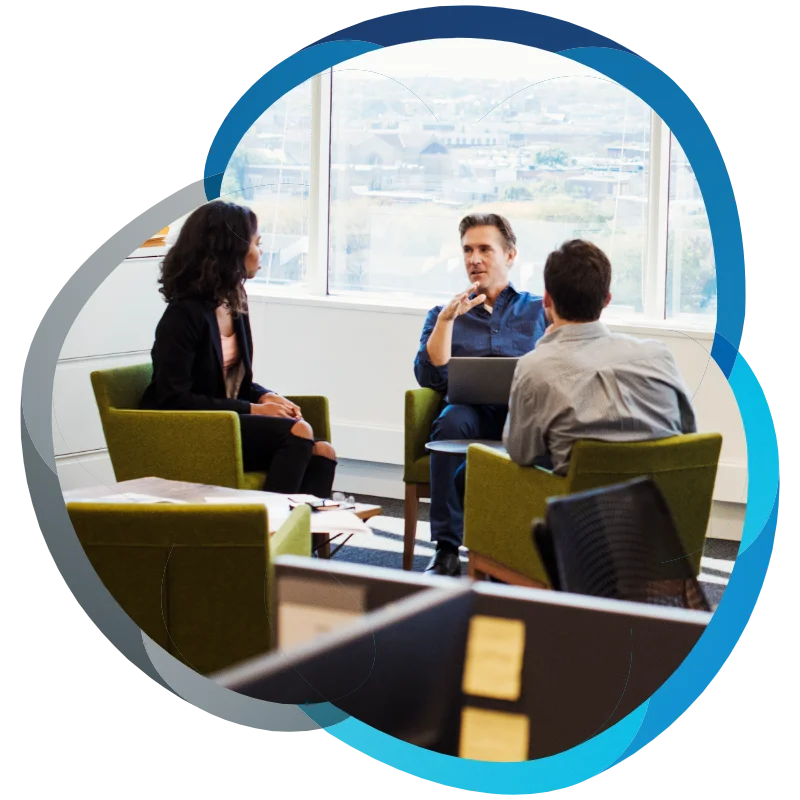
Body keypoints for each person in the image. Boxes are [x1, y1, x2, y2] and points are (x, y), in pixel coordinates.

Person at [139, 199, 337, 497]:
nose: (261, 251)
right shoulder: (183, 316)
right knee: (299, 433)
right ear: (231, 250)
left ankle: (299, 541)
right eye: (257, 243)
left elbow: (230, 380)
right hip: (190, 430)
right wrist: (254, 409)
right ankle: (264, 532)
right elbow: (173, 398)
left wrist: (264, 395)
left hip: (227, 425)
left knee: (323, 451)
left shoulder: (235, 300)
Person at [414, 213, 548, 577]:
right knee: (450, 421)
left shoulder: (540, 310)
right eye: (468, 250)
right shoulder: (444, 314)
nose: (474, 259)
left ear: (510, 255)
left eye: (485, 249)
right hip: (468, 412)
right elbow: (428, 374)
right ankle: (445, 549)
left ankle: (511, 550)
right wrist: (446, 323)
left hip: (522, 414)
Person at [494, 238, 697, 478]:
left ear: (546, 299)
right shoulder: (659, 355)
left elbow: (520, 453)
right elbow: (688, 435)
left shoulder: (535, 367)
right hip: (662, 509)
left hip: (583, 513)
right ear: (607, 299)